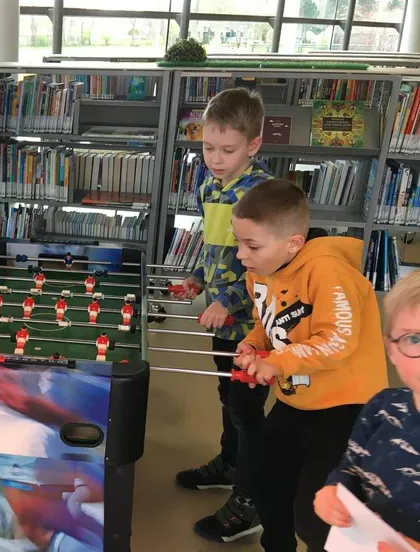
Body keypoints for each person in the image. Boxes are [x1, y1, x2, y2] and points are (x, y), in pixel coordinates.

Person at [232, 179, 388, 552]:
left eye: (252, 245)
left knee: (317, 517)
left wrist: (278, 362)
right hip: (297, 398)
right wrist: (254, 344)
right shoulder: (261, 269)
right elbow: (267, 323)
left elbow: (338, 340)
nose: (241, 255)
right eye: (239, 242)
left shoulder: (328, 271)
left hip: (347, 406)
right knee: (267, 484)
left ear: (293, 243)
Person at [173, 87, 272, 542]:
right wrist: (198, 278)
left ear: (253, 145)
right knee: (227, 397)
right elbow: (216, 248)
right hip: (223, 320)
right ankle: (231, 464)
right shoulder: (209, 186)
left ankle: (252, 501)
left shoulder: (264, 196)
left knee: (247, 411)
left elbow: (265, 266)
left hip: (253, 326)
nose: (214, 158)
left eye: (227, 150)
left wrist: (226, 301)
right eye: (208, 147)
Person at [314, 270, 420, 551]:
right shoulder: (383, 406)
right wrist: (333, 490)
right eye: (414, 339)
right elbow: (351, 467)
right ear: (391, 349)